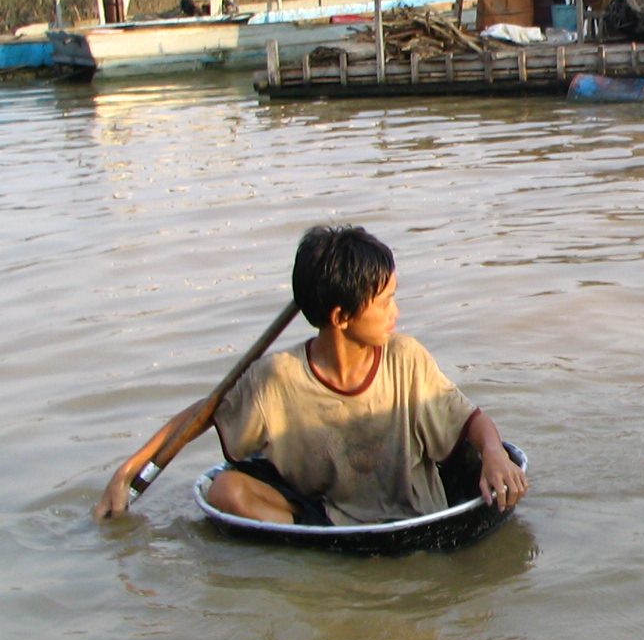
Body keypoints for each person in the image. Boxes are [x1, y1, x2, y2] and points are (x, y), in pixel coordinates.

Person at [96, 225, 527, 525]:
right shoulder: (278, 378)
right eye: (385, 302)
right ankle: (319, 540)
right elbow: (203, 414)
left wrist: (493, 453)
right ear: (340, 316)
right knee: (225, 491)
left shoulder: (405, 358)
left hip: (412, 509)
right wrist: (127, 472)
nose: (396, 312)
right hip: (329, 513)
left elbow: (471, 419)